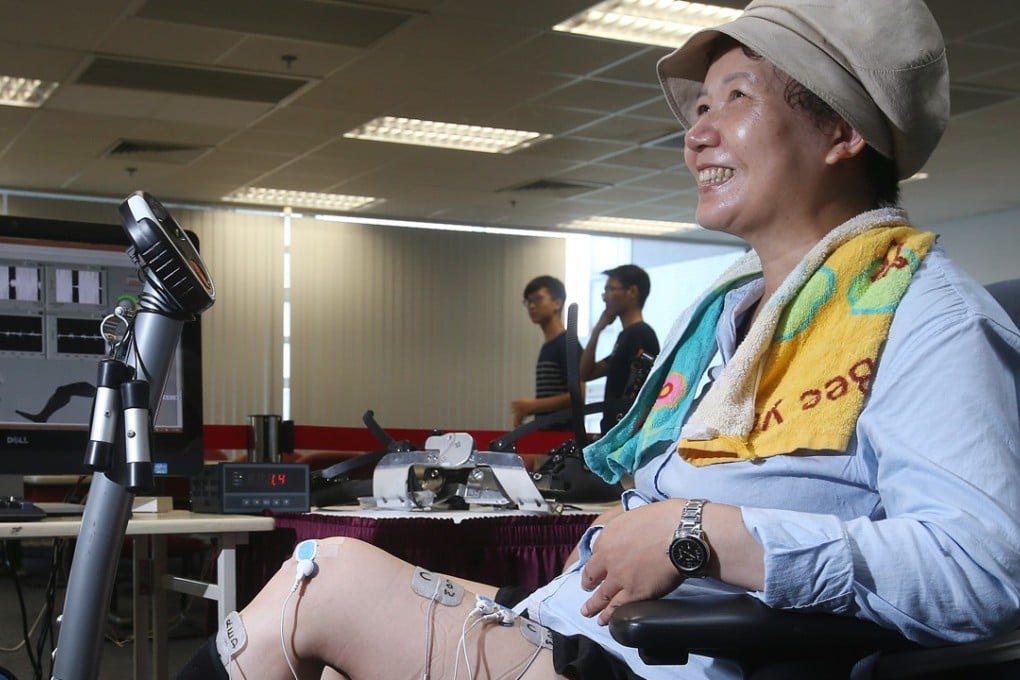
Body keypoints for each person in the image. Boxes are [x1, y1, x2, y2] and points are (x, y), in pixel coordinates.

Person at [178, 1, 1020, 678]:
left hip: (666, 661)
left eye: (737, 97)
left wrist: (701, 530)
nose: (697, 132)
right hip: (589, 624)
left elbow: (985, 572)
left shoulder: (926, 317)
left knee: (324, 582)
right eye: (700, 106)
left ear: (842, 133)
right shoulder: (735, 318)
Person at [580, 265, 660, 435]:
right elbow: (585, 373)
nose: (605, 297)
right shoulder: (626, 337)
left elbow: (640, 390)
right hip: (613, 432)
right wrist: (597, 330)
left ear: (632, 292)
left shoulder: (641, 334)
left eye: (610, 289)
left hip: (626, 435)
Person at [510, 275, 583, 431]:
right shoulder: (549, 346)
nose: (531, 306)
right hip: (548, 433)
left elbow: (579, 395)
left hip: (563, 436)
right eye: (528, 301)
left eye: (537, 299)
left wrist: (532, 406)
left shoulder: (567, 343)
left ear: (557, 303)